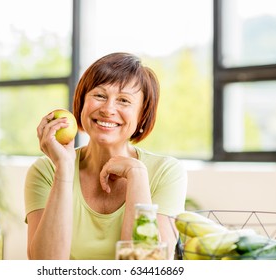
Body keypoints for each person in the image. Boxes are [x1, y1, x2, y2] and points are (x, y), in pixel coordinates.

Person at [24, 52, 187, 260]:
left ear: (142, 114)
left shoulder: (166, 172)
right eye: (100, 95)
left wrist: (136, 174)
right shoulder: (45, 171)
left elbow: (146, 268)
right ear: (82, 102)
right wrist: (64, 170)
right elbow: (45, 266)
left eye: (124, 100)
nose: (108, 109)